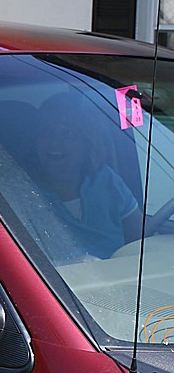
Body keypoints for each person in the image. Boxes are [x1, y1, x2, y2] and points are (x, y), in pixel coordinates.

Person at [33, 94, 145, 259]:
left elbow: (141, 241)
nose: (54, 142)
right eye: (47, 132)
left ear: (88, 143)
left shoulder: (107, 181)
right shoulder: (21, 191)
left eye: (68, 134)